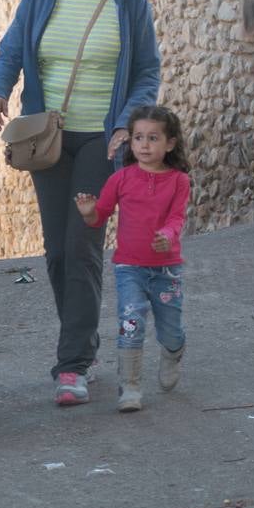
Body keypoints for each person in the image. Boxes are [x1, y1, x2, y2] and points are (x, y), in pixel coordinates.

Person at [0, 0, 161, 407]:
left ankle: (72, 364)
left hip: (102, 141)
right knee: (58, 252)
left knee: (82, 247)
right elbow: (13, 47)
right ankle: (82, 341)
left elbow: (147, 71)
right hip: (47, 136)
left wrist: (128, 123)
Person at [74, 105, 190, 412]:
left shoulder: (179, 181)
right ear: (131, 142)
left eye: (153, 138)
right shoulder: (121, 179)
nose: (144, 144)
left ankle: (174, 351)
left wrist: (168, 233)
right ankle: (130, 388)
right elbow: (99, 218)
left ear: (170, 143)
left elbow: (178, 218)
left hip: (167, 269)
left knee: (171, 328)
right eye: (138, 137)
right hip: (130, 267)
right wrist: (89, 213)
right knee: (130, 322)